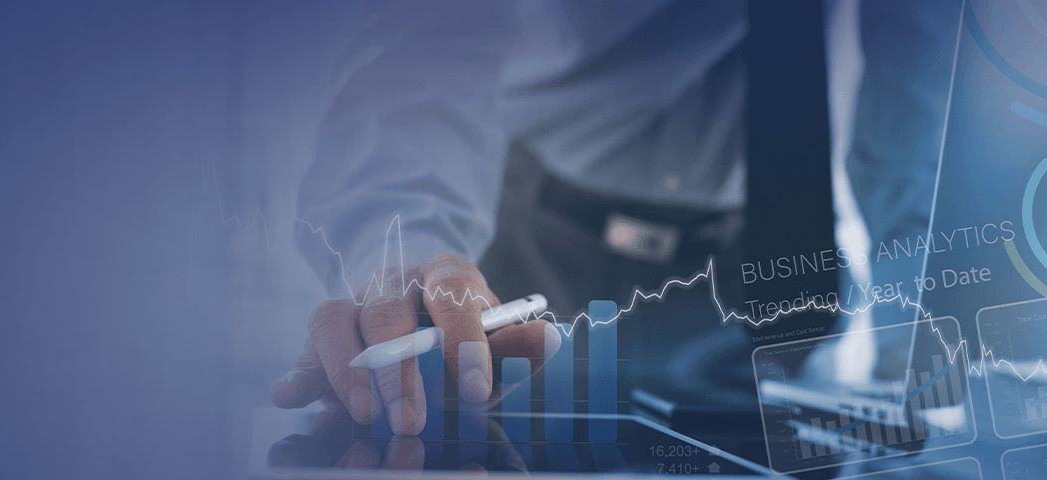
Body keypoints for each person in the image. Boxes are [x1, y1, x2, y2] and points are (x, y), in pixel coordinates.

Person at [268, 0, 960, 443]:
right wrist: (410, 251)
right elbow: (428, 42)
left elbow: (916, 80)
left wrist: (912, 334)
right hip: (527, 260)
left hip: (761, 266)